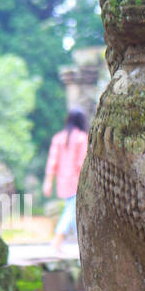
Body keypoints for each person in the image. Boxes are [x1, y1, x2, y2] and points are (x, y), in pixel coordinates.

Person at [43, 108, 88, 253]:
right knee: (71, 210)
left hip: (63, 182)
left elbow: (52, 162)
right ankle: (58, 239)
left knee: (73, 209)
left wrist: (48, 182)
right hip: (77, 181)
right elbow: (82, 163)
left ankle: (81, 243)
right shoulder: (82, 138)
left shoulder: (58, 138)